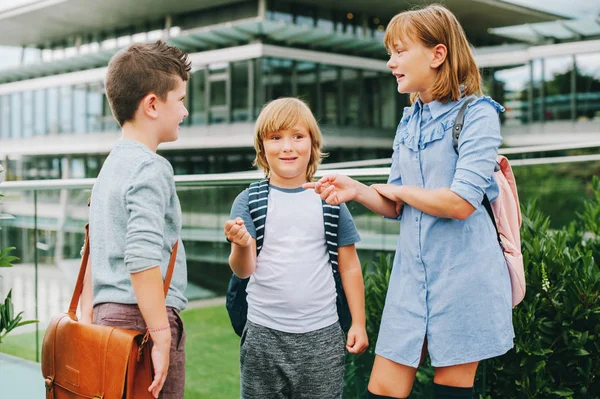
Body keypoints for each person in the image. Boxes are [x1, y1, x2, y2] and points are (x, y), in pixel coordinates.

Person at [305, 5, 514, 399]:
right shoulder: (409, 119)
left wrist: (396, 192)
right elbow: (395, 205)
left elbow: (460, 203)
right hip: (411, 279)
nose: (391, 63)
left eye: (400, 51)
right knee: (382, 388)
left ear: (437, 55)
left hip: (463, 275)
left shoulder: (479, 115)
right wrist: (358, 189)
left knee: (450, 391)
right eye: (391, 53)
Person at [224, 97, 369, 399]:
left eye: (297, 136)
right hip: (263, 335)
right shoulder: (248, 201)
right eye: (275, 138)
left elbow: (350, 265)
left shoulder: (331, 199)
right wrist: (241, 245)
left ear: (313, 145)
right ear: (262, 148)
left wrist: (358, 322)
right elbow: (244, 269)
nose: (287, 147)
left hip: (323, 336)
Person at [80, 40, 191, 399]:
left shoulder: (110, 167)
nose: (185, 112)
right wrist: (161, 334)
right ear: (153, 104)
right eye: (181, 100)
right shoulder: (151, 167)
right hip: (142, 322)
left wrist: (88, 323)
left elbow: (93, 252)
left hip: (106, 320)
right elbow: (142, 258)